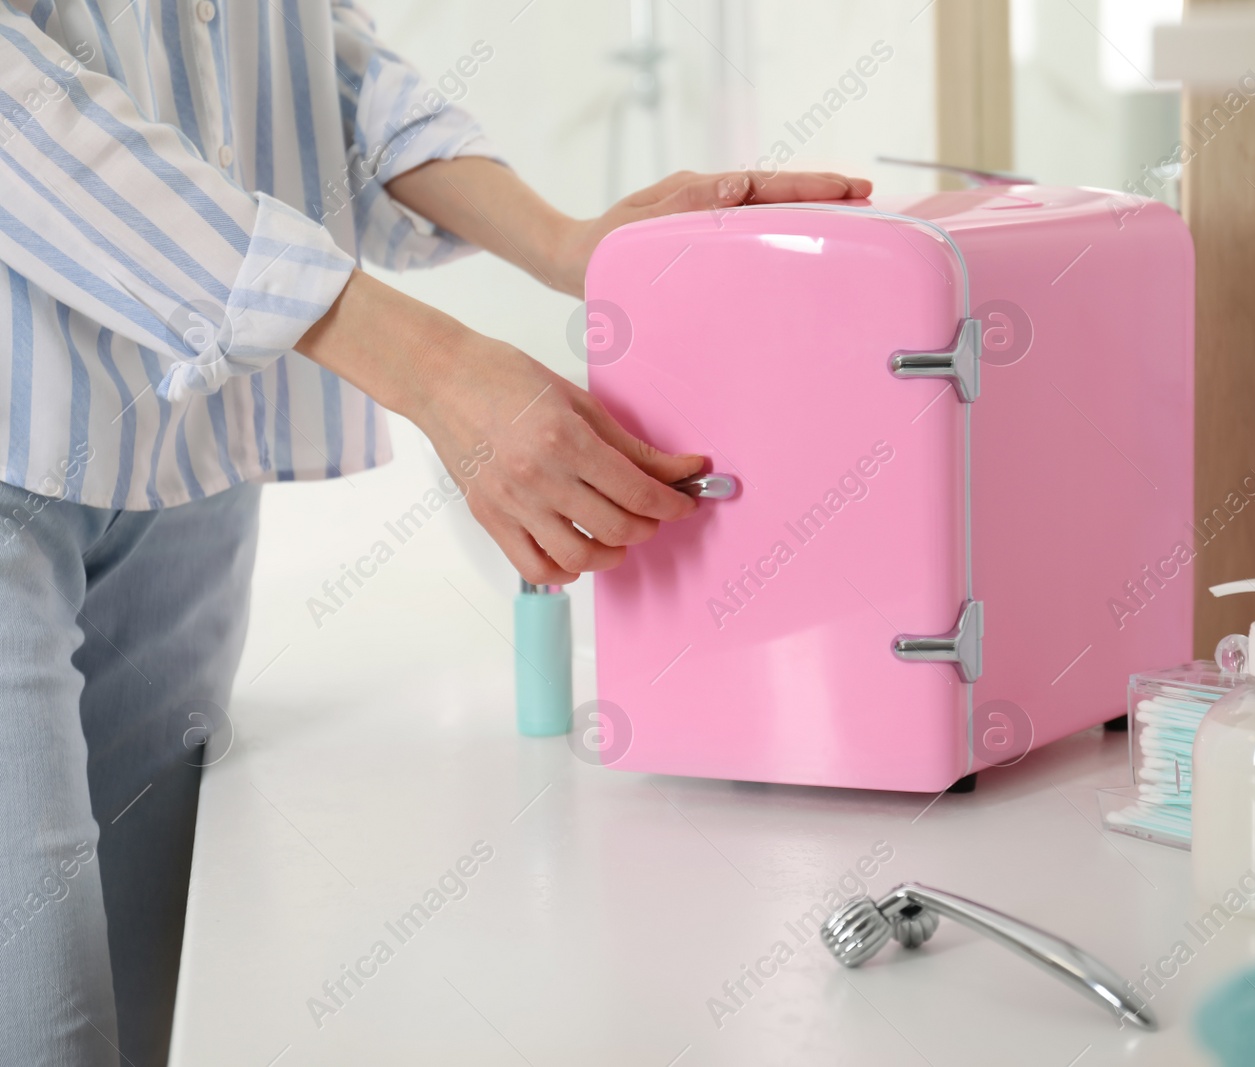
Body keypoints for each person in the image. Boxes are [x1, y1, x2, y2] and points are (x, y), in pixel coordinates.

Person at [0, 2, 869, 1062]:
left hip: (187, 450)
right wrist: (434, 367)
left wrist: (563, 241)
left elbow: (310, 57)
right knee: (48, 1027)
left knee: (150, 1012)